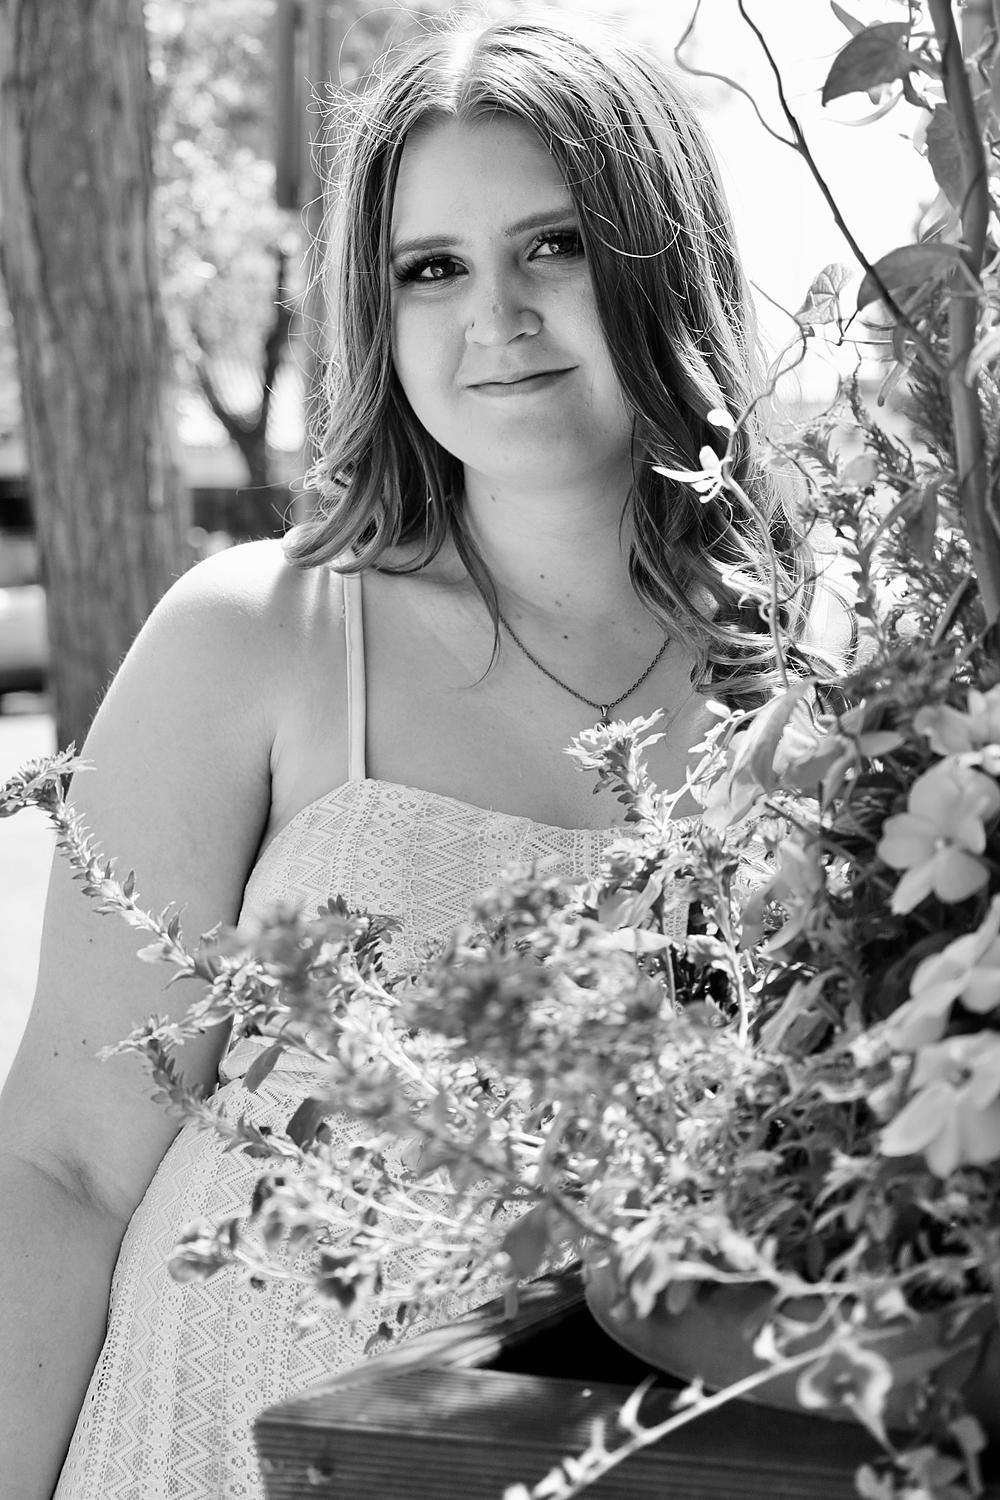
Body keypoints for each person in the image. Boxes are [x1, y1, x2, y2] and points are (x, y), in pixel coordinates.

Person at [0, 10, 818, 1498]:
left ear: (664, 260)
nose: (492, 313)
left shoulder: (825, 686)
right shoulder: (259, 635)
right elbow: (63, 1163)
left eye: (554, 246)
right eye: (429, 268)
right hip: (213, 1448)